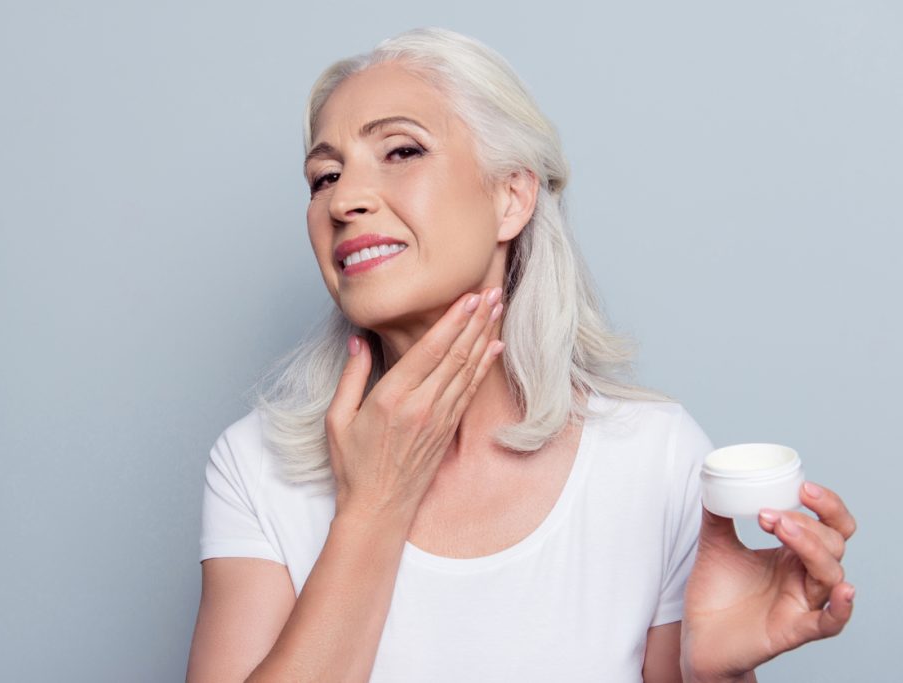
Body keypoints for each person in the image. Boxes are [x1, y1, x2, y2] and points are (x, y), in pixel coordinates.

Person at [186, 28, 856, 682]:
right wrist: (374, 506)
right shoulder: (256, 469)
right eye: (323, 175)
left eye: (400, 151)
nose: (344, 200)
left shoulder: (655, 459)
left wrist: (713, 674)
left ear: (511, 197)